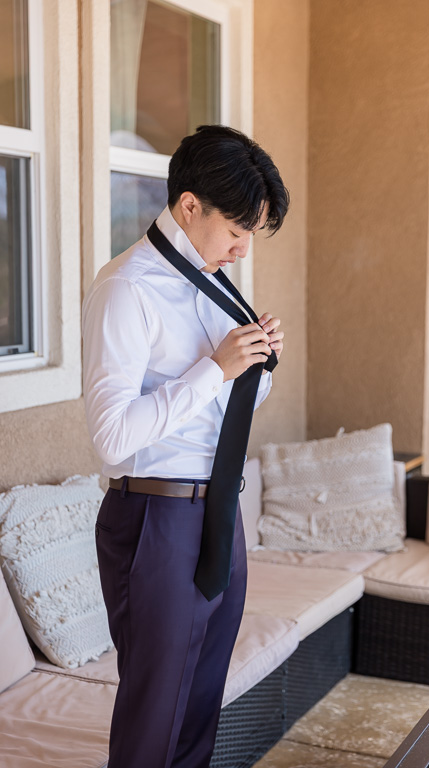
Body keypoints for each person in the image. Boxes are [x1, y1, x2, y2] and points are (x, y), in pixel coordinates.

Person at [82, 124, 289, 768]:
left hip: (219, 513)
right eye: (237, 230)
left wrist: (257, 366)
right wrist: (215, 370)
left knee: (200, 708)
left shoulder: (218, 287)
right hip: (156, 519)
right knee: (155, 714)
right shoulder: (126, 287)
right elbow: (111, 436)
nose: (243, 250)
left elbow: (222, 410)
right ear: (190, 205)